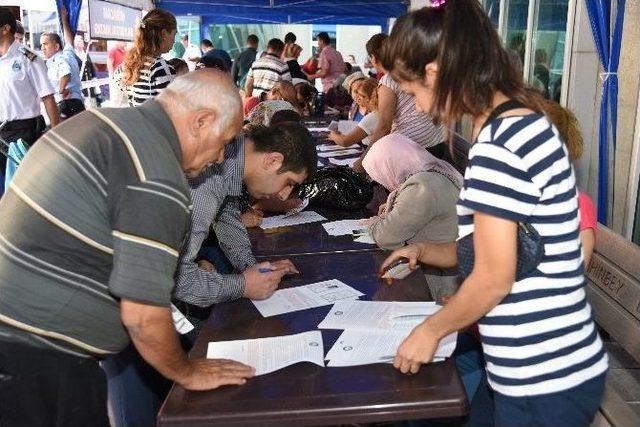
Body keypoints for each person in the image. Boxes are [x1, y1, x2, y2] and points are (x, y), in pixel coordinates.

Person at [379, 3, 607, 426]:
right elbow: (507, 249)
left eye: (412, 92)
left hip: (542, 376)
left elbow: (494, 276)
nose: (419, 107)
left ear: (434, 71)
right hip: (536, 366)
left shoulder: (502, 142)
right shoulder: (519, 121)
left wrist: (432, 330)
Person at [0, 69, 254, 427]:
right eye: (225, 142)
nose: (220, 158)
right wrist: (187, 372)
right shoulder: (158, 175)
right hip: (38, 357)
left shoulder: (102, 121)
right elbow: (143, 316)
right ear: (201, 121)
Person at [105, 121, 316, 427]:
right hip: (117, 298)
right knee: (140, 407)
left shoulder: (231, 158)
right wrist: (242, 285)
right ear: (273, 160)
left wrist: (249, 266)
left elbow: (227, 213)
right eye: (289, 182)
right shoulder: (206, 181)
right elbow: (179, 278)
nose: (284, 195)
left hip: (133, 285)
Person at [0, 7, 59, 187]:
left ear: (5, 29)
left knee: (27, 187)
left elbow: (48, 98)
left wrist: (58, 136)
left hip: (24, 132)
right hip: (2, 132)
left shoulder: (28, 58)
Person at [365, 33, 444, 158]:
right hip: (437, 141)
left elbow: (384, 127)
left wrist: (363, 162)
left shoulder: (388, 80)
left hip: (412, 149)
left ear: (373, 58)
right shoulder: (417, 70)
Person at [116, 9, 177, 107]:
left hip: (136, 120)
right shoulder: (160, 67)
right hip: (154, 122)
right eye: (174, 34)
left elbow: (117, 81)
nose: (174, 41)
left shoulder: (128, 63)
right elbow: (172, 108)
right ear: (164, 34)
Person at [40, 7, 84, 119]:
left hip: (67, 105)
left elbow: (65, 73)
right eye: (41, 45)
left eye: (45, 44)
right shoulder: (67, 53)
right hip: (77, 103)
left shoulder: (58, 59)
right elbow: (69, 40)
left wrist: (61, 90)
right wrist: (64, 20)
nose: (42, 48)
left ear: (56, 46)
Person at [328, 78, 378, 147]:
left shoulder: (372, 116)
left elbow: (344, 142)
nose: (358, 98)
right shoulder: (381, 112)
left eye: (361, 95)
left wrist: (333, 135)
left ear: (368, 98)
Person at [107, 41, 128, 106]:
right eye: (124, 41)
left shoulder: (125, 51)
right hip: (117, 79)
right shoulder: (113, 50)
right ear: (119, 41)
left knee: (125, 100)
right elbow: (109, 65)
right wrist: (113, 78)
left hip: (125, 79)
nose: (126, 42)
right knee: (117, 101)